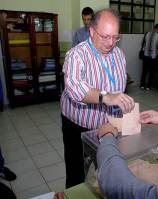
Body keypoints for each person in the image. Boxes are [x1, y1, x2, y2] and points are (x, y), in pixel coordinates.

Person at [60, 8, 135, 188]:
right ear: (92, 31)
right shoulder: (76, 55)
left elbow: (119, 84)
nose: (111, 43)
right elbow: (76, 89)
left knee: (107, 168)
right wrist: (107, 97)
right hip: (77, 125)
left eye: (115, 37)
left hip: (107, 125)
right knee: (76, 173)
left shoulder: (118, 54)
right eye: (105, 36)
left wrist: (123, 105)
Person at [140, 24, 158, 90]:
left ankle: (142, 85)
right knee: (151, 72)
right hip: (153, 57)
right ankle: (148, 86)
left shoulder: (147, 34)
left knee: (144, 71)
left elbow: (142, 43)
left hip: (145, 55)